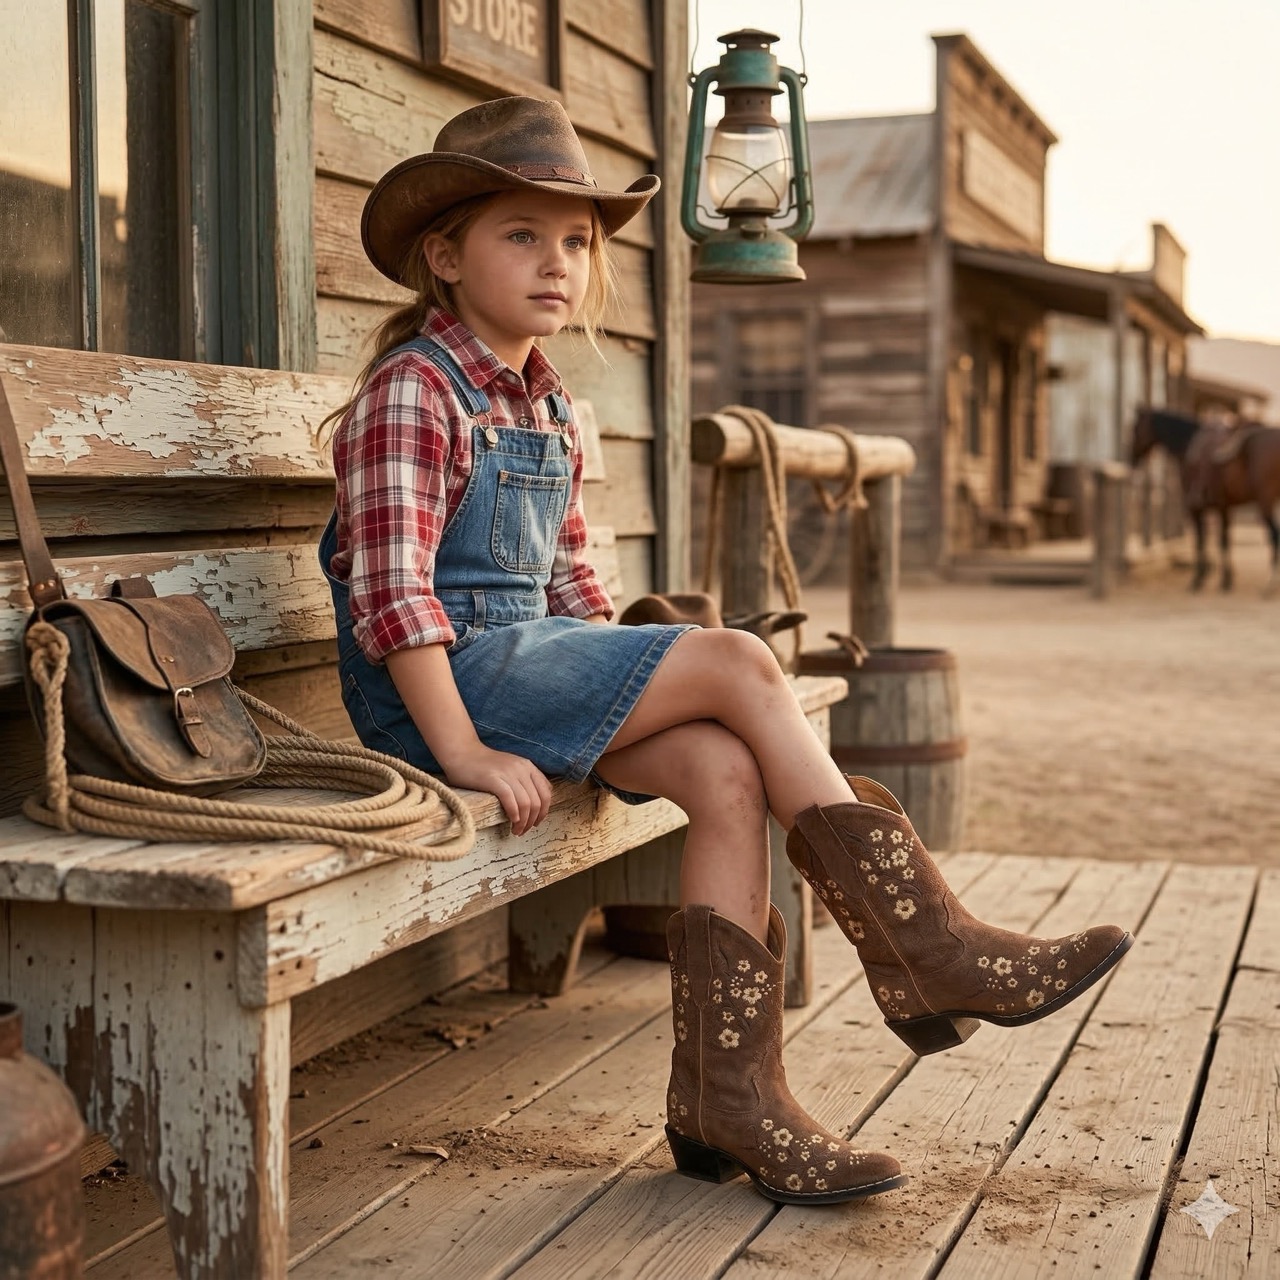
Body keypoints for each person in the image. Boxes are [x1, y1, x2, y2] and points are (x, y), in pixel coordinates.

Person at [319, 97, 1132, 1207]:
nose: (557, 262)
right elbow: (392, 595)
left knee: (723, 765)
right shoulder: (416, 387)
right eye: (522, 234)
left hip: (529, 669)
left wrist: (629, 688)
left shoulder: (551, 403)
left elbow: (571, 590)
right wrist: (459, 750)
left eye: (576, 241)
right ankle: (928, 944)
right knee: (741, 664)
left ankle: (723, 1097)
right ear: (445, 253)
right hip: (442, 690)